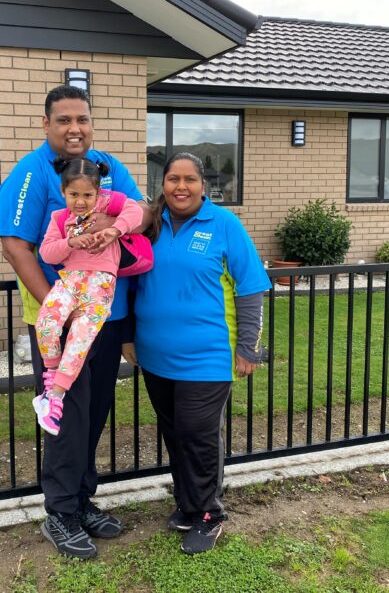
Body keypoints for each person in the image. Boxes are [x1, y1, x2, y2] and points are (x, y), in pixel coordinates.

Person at [0, 85, 149, 560]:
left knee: (94, 413)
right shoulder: (30, 173)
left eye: (81, 119)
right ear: (46, 124)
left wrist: (118, 227)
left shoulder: (106, 168)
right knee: (66, 416)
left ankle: (82, 502)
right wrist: (56, 308)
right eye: (63, 120)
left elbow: (140, 216)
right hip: (61, 322)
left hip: (108, 315)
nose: (74, 128)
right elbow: (16, 245)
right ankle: (60, 511)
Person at [128, 152, 270, 555]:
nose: (181, 187)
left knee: (197, 432)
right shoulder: (150, 225)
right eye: (173, 179)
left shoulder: (224, 224)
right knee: (175, 432)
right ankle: (188, 504)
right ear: (163, 183)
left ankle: (209, 514)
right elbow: (132, 283)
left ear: (203, 185)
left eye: (189, 179)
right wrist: (129, 337)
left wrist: (247, 349)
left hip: (207, 355)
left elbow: (250, 288)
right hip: (155, 355)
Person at [33, 157, 143, 436]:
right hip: (70, 281)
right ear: (62, 192)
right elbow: (46, 253)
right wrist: (69, 242)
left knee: (79, 339)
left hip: (100, 285)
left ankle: (56, 397)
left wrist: (114, 229)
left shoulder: (110, 203)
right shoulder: (59, 218)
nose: (80, 201)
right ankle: (50, 378)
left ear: (99, 192)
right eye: (73, 195)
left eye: (87, 195)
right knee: (46, 322)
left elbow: (136, 211)